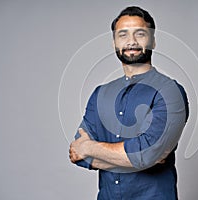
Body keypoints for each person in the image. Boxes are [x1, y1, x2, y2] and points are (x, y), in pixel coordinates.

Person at [69, 6, 189, 200]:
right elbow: (77, 153)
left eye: (140, 34)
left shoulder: (170, 92)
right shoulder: (100, 94)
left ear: (153, 41)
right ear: (114, 43)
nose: (131, 41)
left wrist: (89, 148)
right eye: (123, 35)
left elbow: (147, 155)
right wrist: (137, 158)